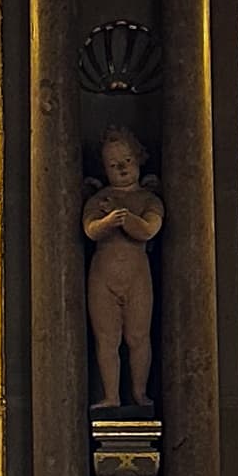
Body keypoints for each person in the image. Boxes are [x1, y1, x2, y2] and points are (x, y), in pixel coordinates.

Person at [83, 125, 162, 413]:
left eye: (126, 161)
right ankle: (112, 396)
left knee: (138, 337)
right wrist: (106, 222)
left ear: (138, 159)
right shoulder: (100, 199)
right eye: (113, 164)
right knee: (107, 339)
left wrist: (124, 218)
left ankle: (140, 393)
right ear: (105, 169)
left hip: (137, 278)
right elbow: (90, 230)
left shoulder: (148, 199)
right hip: (102, 278)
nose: (121, 168)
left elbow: (149, 229)